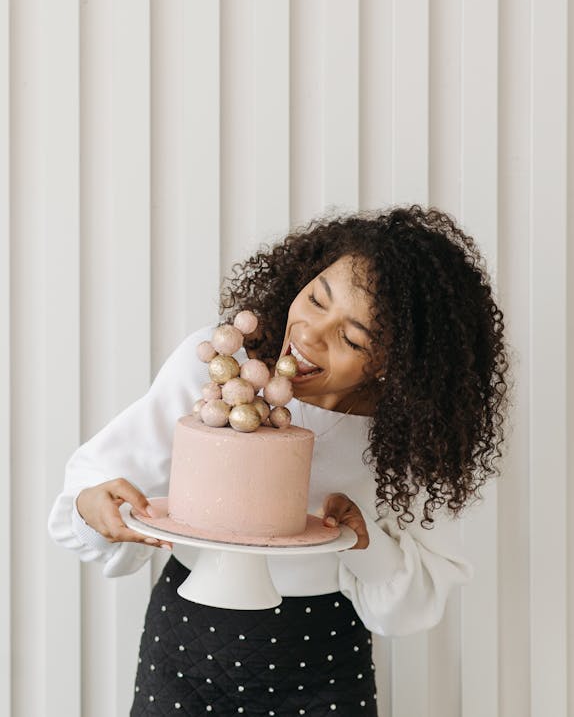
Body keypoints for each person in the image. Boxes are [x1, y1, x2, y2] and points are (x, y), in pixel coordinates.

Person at [49, 205, 509, 716]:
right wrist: (98, 511)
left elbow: (412, 604)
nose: (311, 334)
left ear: (397, 364)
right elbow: (99, 485)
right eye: (316, 298)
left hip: (322, 652)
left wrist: (365, 543)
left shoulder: (410, 436)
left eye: (352, 338)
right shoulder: (225, 368)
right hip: (188, 641)